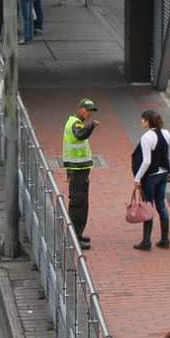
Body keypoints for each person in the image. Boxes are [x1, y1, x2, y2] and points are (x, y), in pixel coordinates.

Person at [132, 109, 170, 250]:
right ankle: (165, 239)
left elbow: (146, 161)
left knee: (148, 207)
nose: (141, 121)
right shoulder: (167, 134)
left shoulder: (146, 137)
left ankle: (146, 241)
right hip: (163, 174)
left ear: (147, 121)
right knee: (161, 205)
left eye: (142, 119)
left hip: (150, 177)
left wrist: (137, 178)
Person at [62, 100, 100, 248]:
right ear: (81, 109)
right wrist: (91, 127)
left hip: (79, 171)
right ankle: (75, 238)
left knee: (81, 204)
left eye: (91, 111)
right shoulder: (75, 124)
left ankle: (78, 234)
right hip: (77, 171)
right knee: (78, 205)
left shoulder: (76, 122)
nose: (89, 113)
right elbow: (80, 135)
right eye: (88, 110)